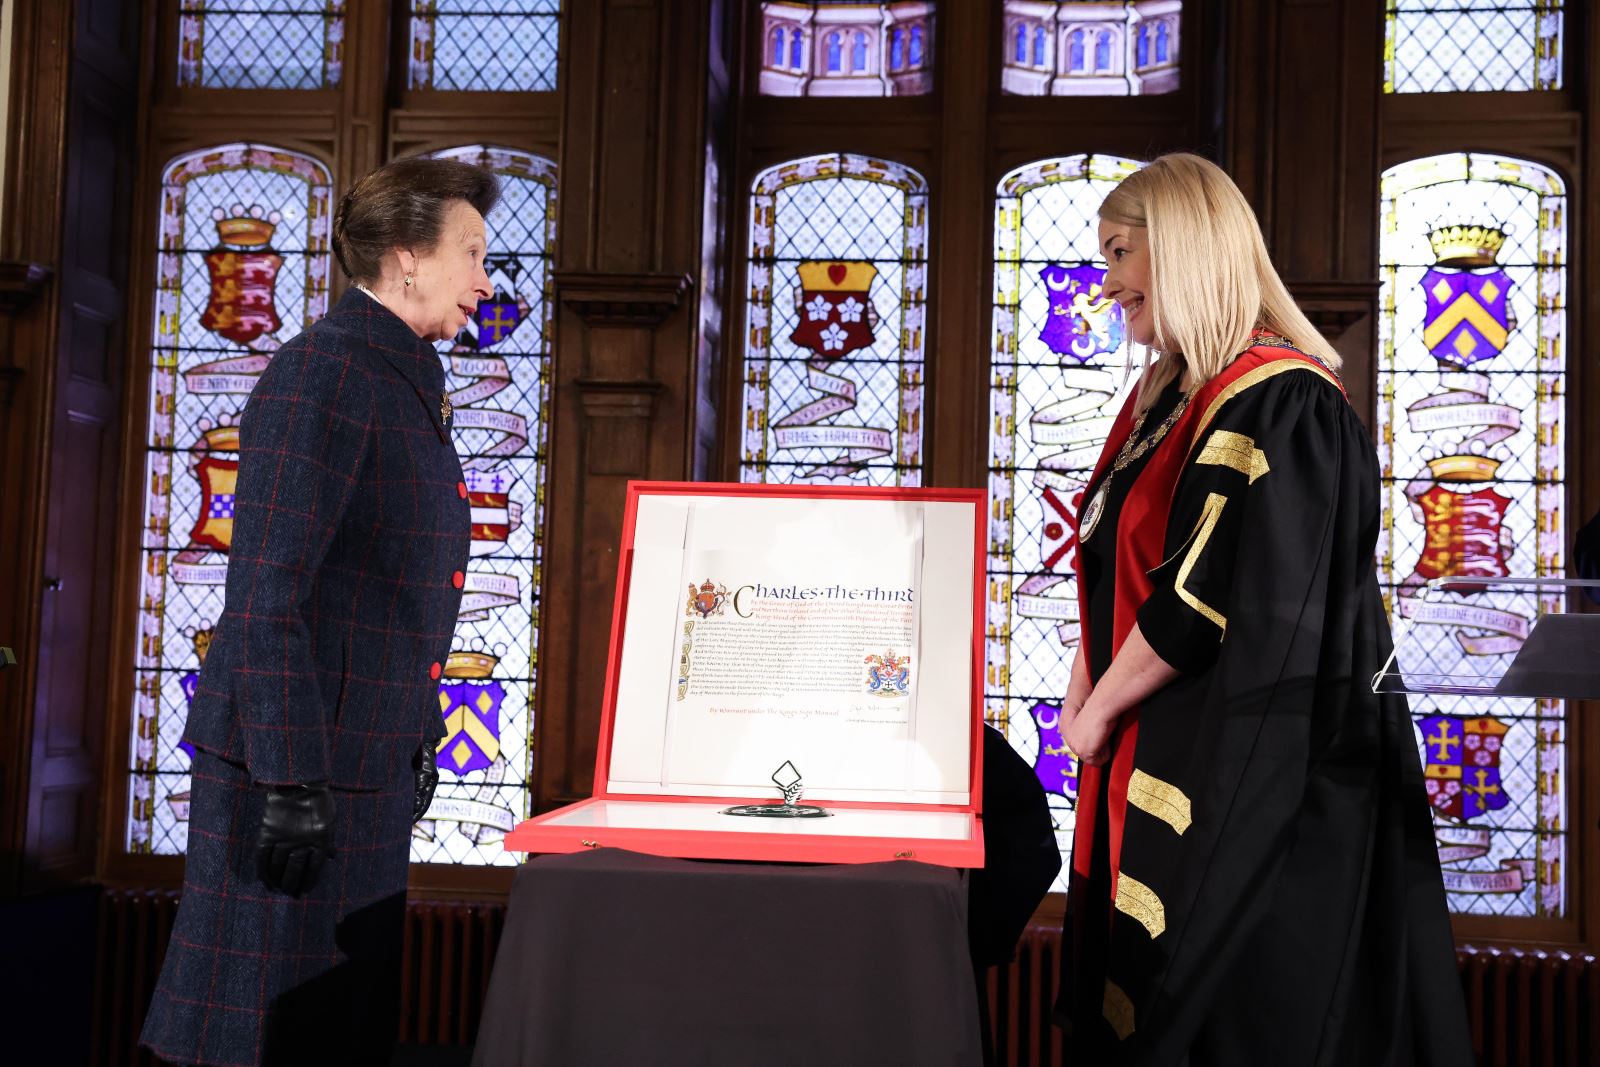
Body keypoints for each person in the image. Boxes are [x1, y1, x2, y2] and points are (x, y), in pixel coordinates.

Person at [1054, 153, 1471, 1065]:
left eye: (1122, 252)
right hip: (1138, 744)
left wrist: (1093, 714)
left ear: (1190, 246)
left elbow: (1198, 600)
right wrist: (1088, 699)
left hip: (1250, 776)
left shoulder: (1283, 400)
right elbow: (1106, 567)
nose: (1107, 281)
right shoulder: (1162, 400)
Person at [141, 156, 497, 1067]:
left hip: (358, 772)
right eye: (472, 254)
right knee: (254, 1034)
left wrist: (410, 734)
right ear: (408, 257)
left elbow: (379, 592)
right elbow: (266, 596)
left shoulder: (398, 374)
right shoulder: (323, 373)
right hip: (292, 781)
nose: (485, 283)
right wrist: (293, 781)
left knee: (329, 1032)